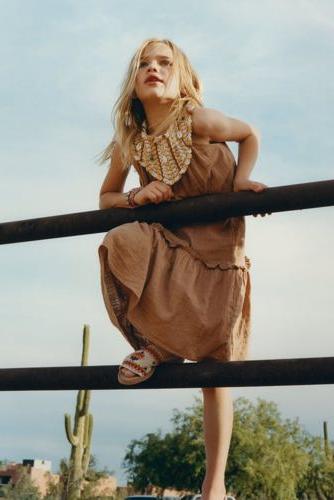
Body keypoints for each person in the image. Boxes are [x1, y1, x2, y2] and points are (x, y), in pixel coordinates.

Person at [97, 37, 268, 500]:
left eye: (165, 63)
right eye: (144, 64)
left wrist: (239, 181)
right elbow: (106, 198)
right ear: (133, 84)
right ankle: (160, 344)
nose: (154, 68)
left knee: (215, 372)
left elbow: (249, 132)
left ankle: (214, 484)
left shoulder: (201, 120)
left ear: (183, 78)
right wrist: (137, 195)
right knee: (121, 238)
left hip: (218, 257)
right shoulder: (131, 143)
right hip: (174, 247)